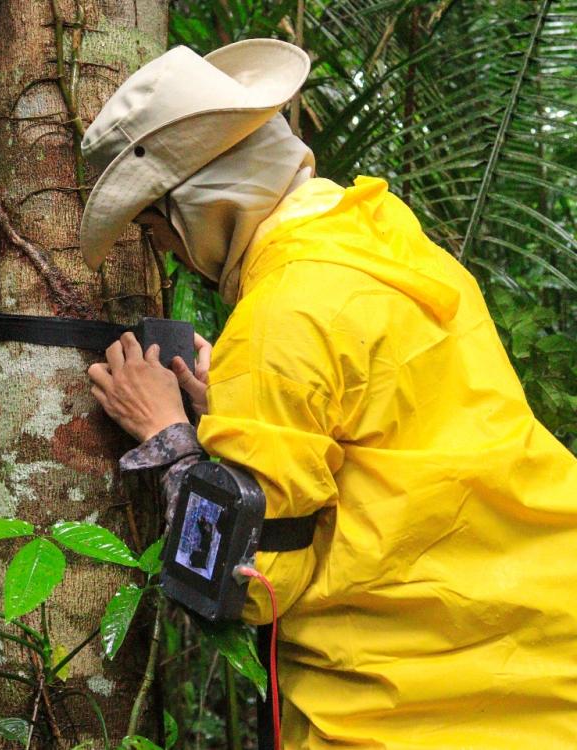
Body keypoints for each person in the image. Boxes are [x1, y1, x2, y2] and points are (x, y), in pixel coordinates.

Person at [81, 39, 577, 749]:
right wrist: (240, 410)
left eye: (156, 224)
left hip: (422, 708)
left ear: (202, 201)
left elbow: (249, 585)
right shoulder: (389, 242)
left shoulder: (279, 318)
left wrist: (167, 431)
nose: (162, 249)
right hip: (552, 660)